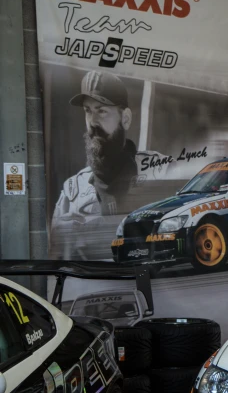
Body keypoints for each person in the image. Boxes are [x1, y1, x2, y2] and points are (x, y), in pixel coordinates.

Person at [50, 71, 169, 259]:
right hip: (94, 284)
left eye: (102, 111)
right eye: (88, 111)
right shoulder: (72, 191)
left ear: (126, 118)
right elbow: (58, 258)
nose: (93, 122)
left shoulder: (159, 170)